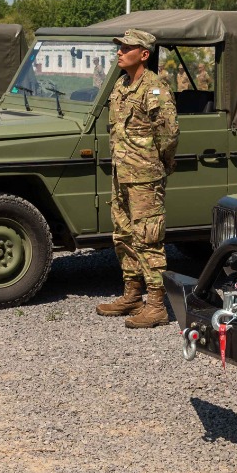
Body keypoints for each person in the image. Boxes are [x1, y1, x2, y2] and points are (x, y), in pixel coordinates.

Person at [94, 29, 178, 329]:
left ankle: (156, 305)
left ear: (144, 54)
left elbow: (168, 134)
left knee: (148, 238)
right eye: (119, 47)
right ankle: (132, 294)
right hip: (122, 174)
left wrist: (160, 164)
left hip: (144, 177)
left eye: (127, 48)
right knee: (123, 235)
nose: (120, 52)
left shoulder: (154, 88)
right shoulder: (121, 85)